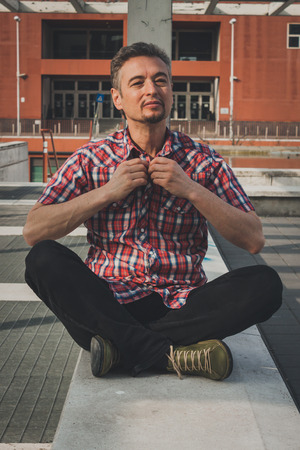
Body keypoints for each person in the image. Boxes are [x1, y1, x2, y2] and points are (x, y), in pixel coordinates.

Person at [23, 42, 282, 381]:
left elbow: (253, 239)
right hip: (109, 300)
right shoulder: (92, 158)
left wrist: (191, 188)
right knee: (43, 259)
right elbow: (34, 230)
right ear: (118, 98)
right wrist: (106, 192)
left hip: (184, 302)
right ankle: (168, 355)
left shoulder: (203, 160)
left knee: (266, 284)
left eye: (160, 80)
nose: (151, 89)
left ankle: (123, 348)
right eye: (138, 82)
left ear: (171, 91)